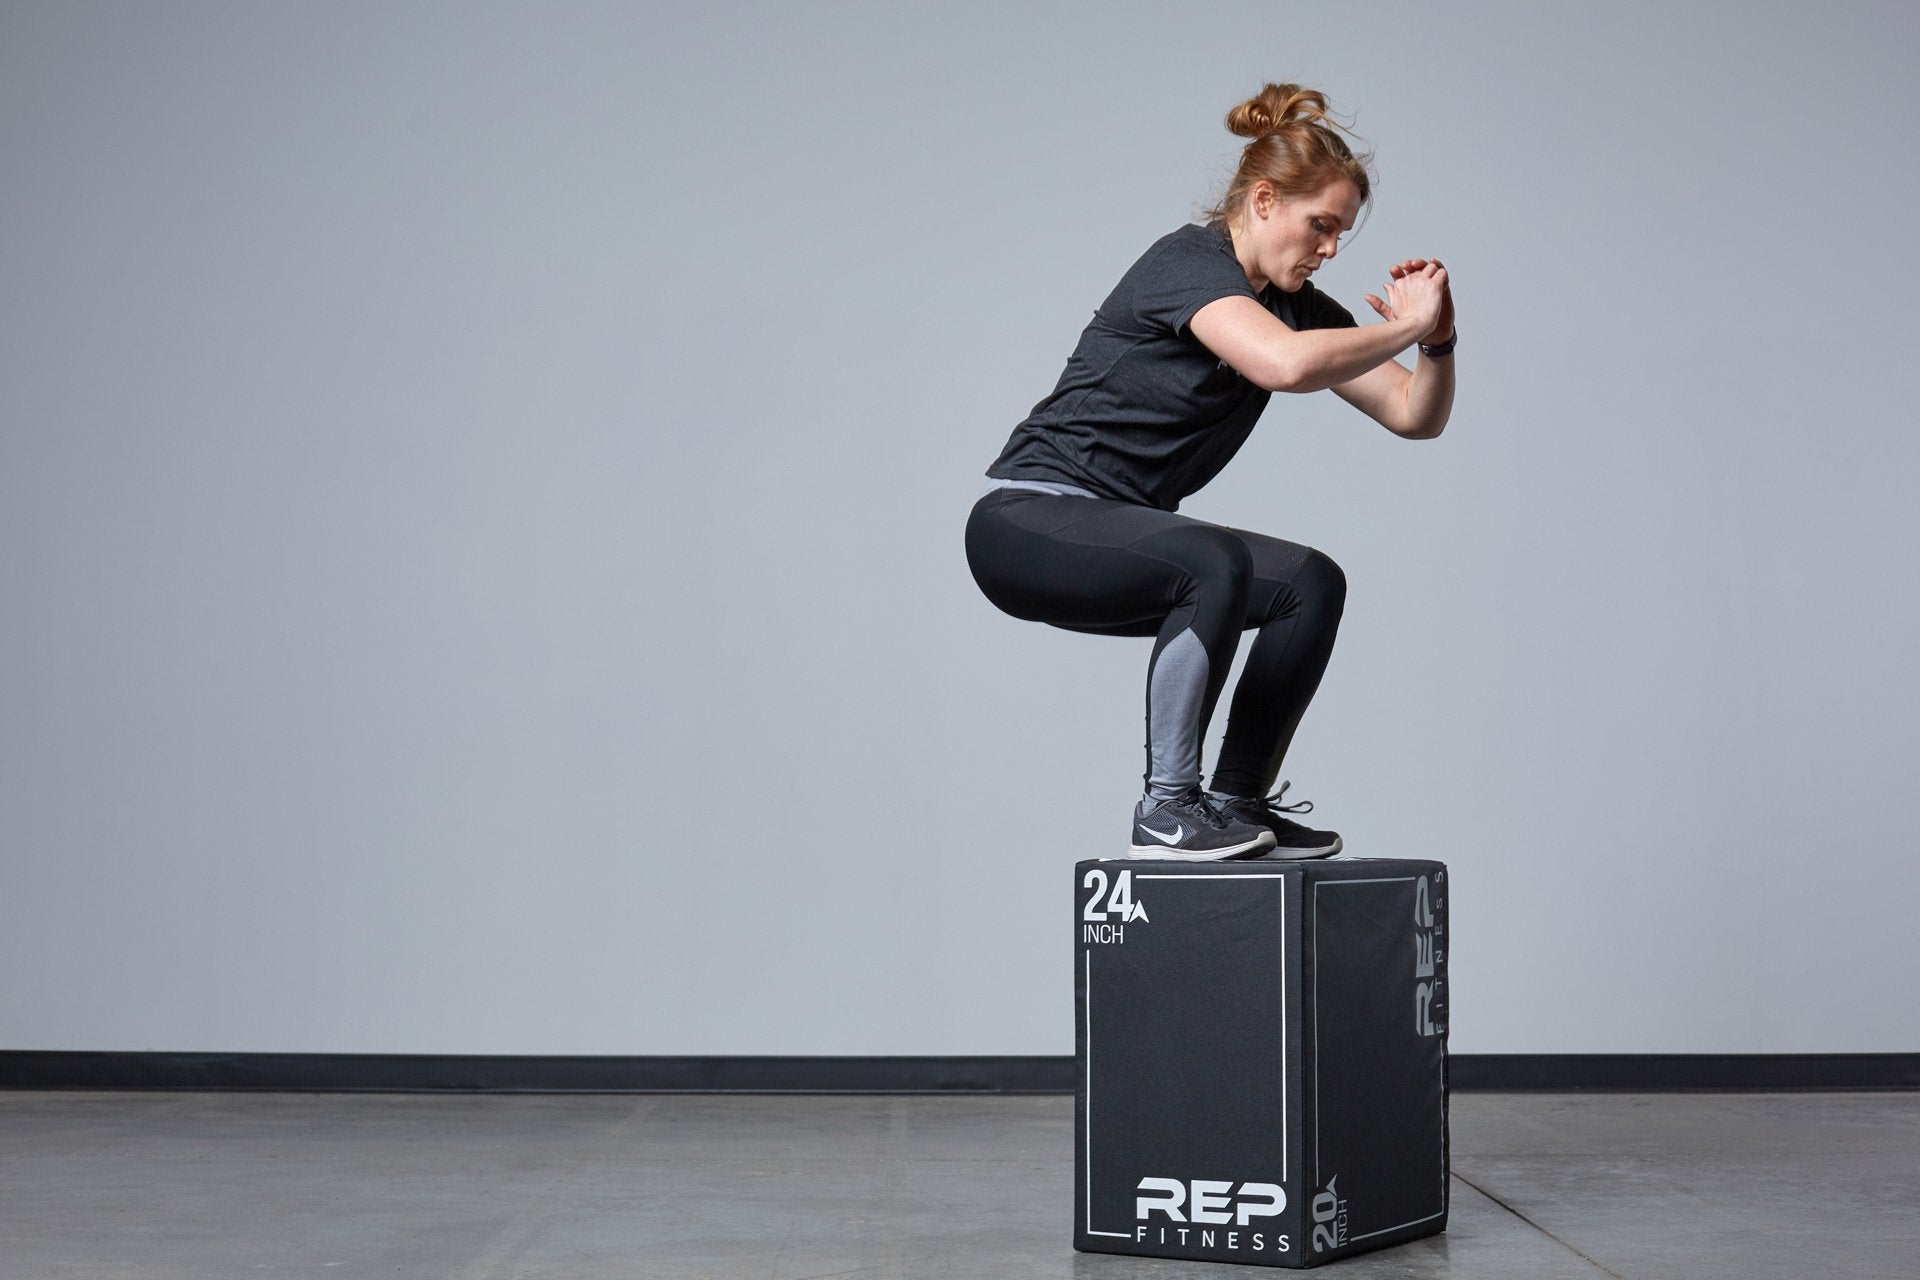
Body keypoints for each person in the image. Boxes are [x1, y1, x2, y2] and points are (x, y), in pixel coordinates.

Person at [965, 83, 1456, 862]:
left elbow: (1412, 414)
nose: (1329, 249)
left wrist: (1435, 345)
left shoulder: (1294, 304)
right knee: (1210, 555)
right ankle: (1168, 808)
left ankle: (1236, 803)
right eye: (1319, 226)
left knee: (1310, 582)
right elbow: (1283, 366)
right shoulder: (1187, 264)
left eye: (1342, 235)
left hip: (1120, 532)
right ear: (1264, 201)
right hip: (1027, 521)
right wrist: (1401, 323)